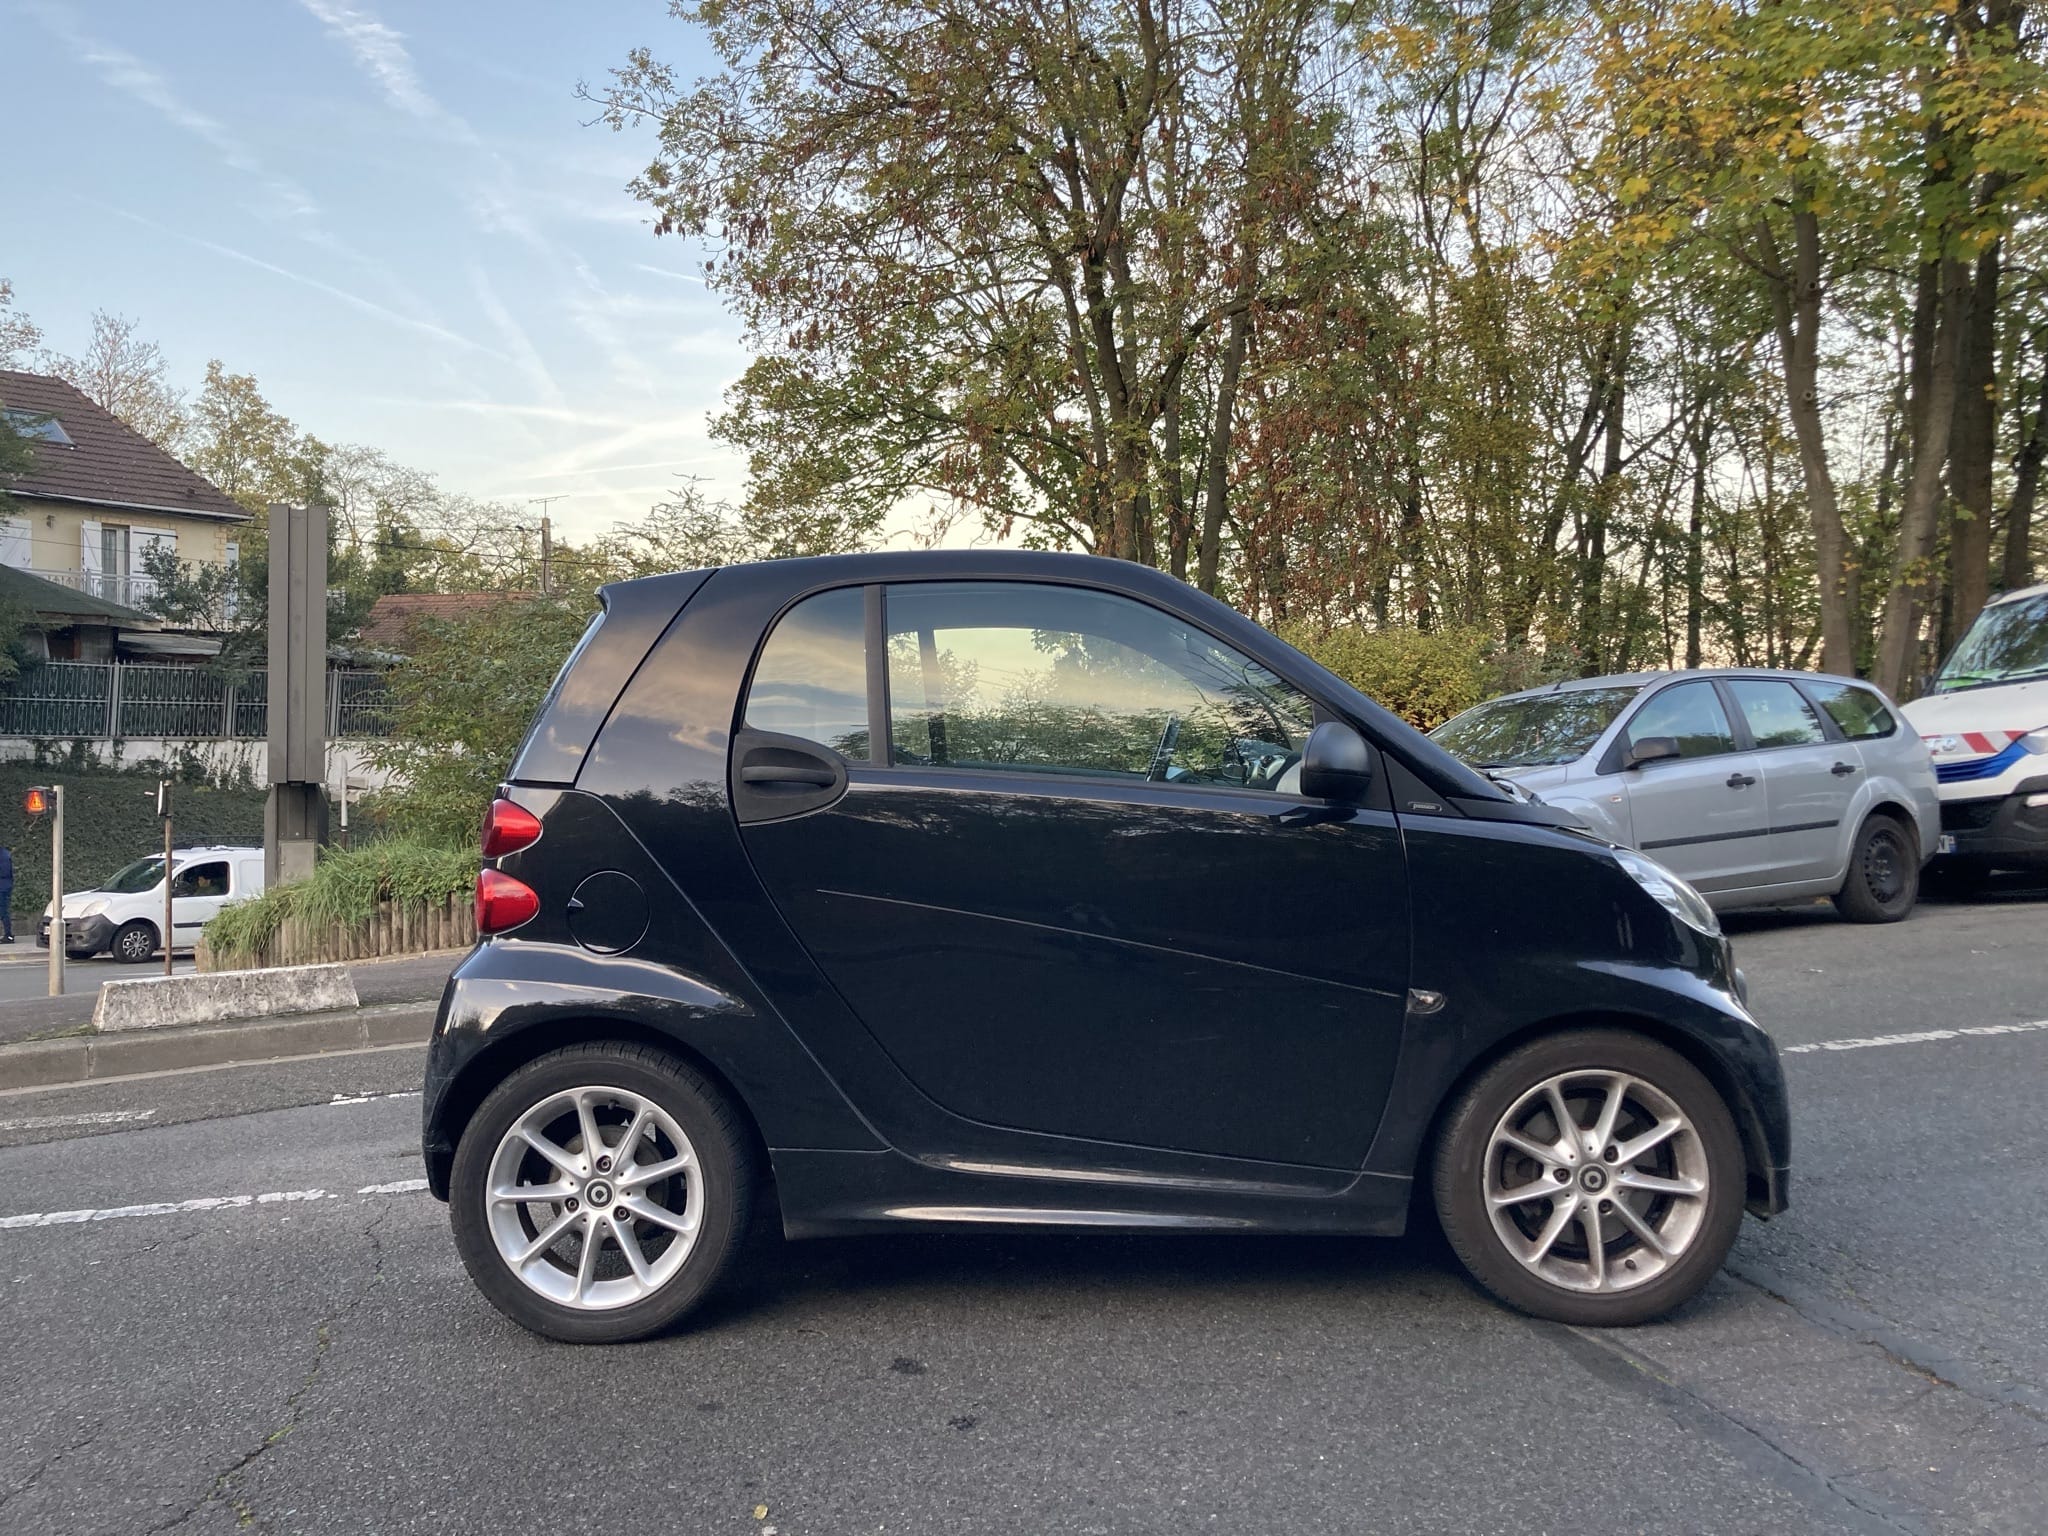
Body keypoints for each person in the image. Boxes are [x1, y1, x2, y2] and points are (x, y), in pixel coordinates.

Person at [0, 843, 13, 942]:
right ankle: (8, 935)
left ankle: (8, 935)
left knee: (3, 911)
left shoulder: (3, 855)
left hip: (3, 887)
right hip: (4, 886)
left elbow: (5, 872)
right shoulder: (4, 854)